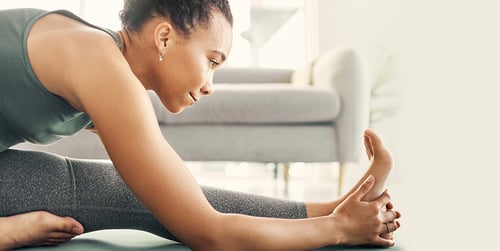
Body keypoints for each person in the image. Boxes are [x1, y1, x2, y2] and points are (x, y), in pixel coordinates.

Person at [0, 1, 401, 250]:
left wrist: (329, 217)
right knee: (91, 191)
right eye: (211, 60)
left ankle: (327, 209)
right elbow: (210, 235)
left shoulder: (99, 58)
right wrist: (337, 232)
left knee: (148, 193)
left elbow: (182, 197)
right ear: (163, 38)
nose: (210, 86)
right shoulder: (99, 63)